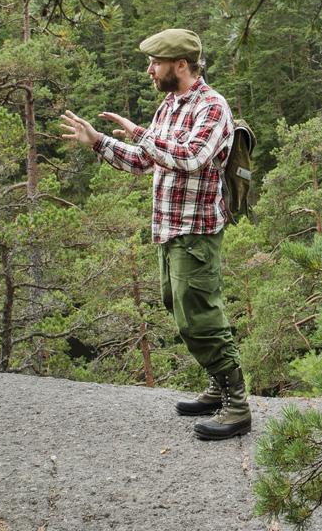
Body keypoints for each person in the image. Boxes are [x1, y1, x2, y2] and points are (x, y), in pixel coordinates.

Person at [60, 28, 251, 441]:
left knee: (199, 315)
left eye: (155, 63)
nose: (149, 70)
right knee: (179, 308)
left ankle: (237, 405)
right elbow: (146, 160)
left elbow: (191, 158)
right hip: (168, 230)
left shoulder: (213, 108)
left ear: (180, 65)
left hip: (196, 231)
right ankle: (218, 388)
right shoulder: (169, 106)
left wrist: (140, 133)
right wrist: (98, 142)